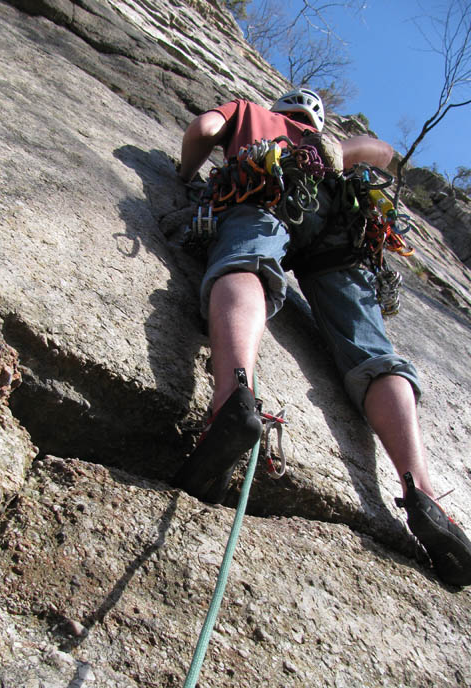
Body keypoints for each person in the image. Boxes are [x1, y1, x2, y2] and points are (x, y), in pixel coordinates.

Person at [173, 89, 471, 587]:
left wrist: (184, 177)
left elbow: (203, 131)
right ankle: (422, 491)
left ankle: (232, 400)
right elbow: (385, 152)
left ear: (283, 110)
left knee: (247, 262)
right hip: (341, 217)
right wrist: (339, 151)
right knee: (375, 354)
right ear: (316, 118)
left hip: (267, 182)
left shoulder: (252, 112)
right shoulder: (332, 144)